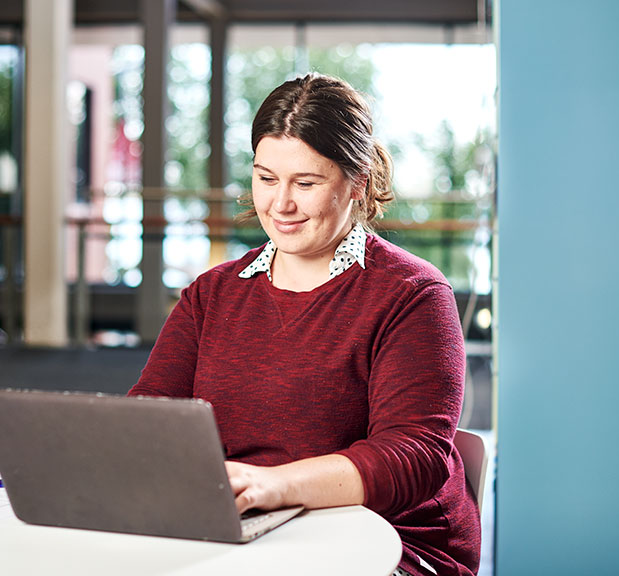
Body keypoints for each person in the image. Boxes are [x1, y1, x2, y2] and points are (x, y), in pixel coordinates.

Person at [129, 73, 480, 576]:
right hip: (248, 531)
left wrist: (275, 485)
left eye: (306, 183)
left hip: (389, 544)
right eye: (266, 178)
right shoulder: (213, 293)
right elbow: (151, 414)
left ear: (357, 182)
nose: (280, 204)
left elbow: (414, 457)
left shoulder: (412, 294)